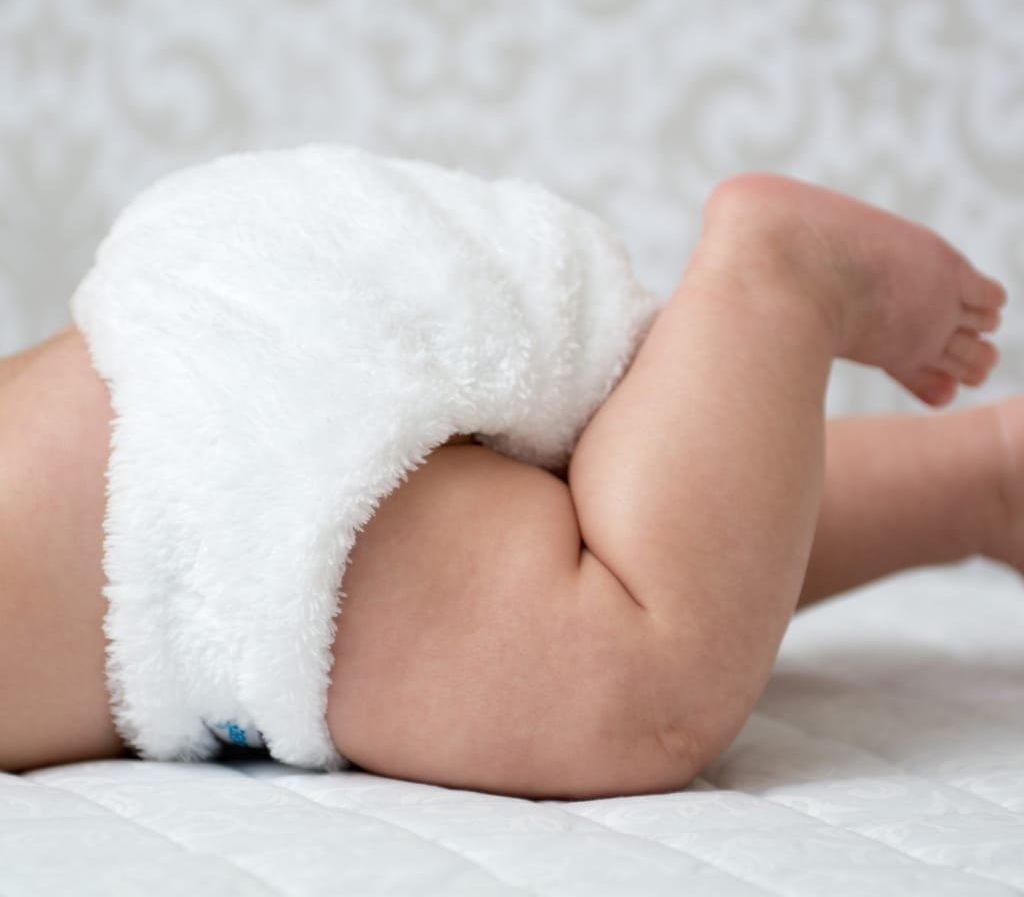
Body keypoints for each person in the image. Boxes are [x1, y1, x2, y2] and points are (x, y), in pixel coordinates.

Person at [0, 172, 1017, 800]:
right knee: (642, 533)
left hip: (197, 476)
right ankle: (980, 479)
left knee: (633, 673)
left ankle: (775, 279)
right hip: (194, 319)